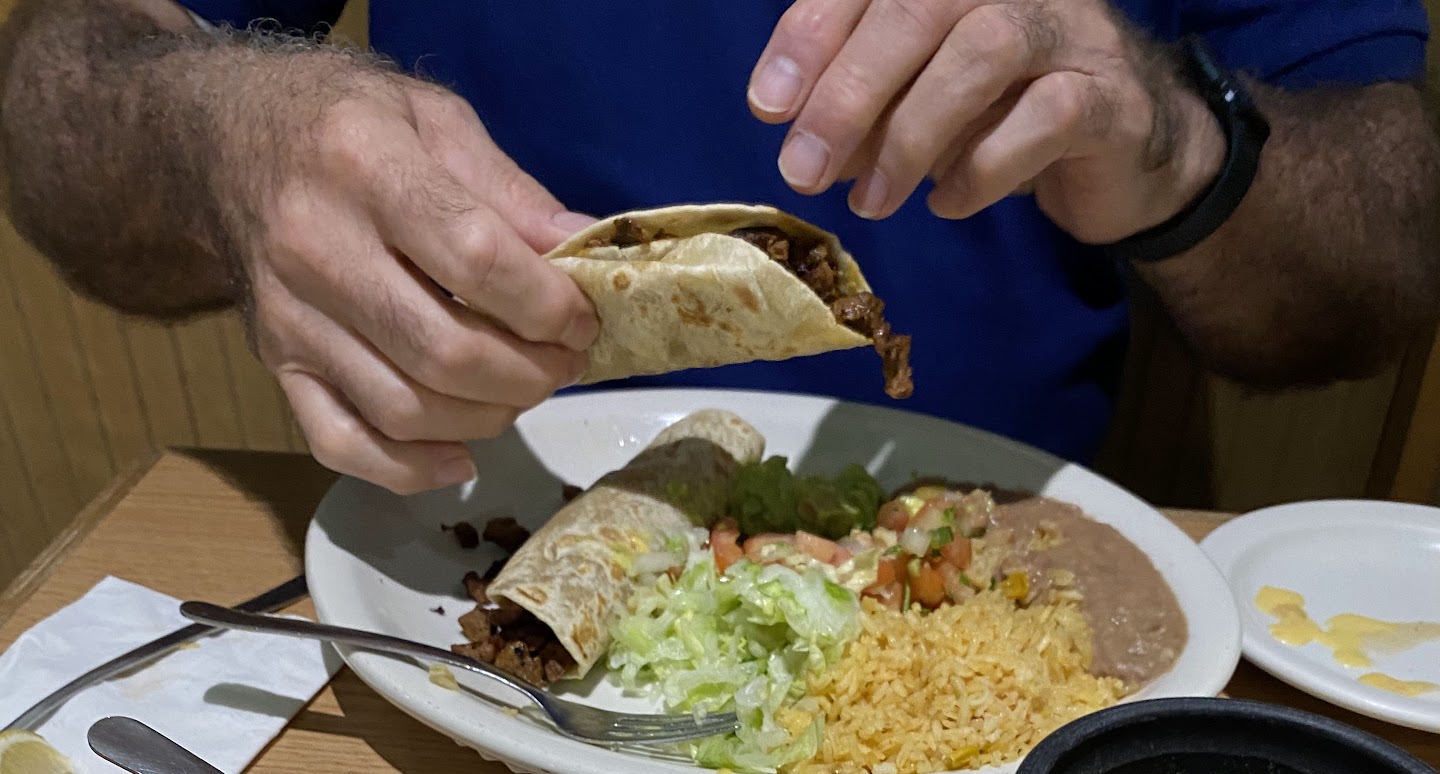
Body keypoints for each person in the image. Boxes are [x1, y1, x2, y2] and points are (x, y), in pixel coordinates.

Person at [2, 1, 1437, 496]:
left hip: (1007, 611)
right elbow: (58, 95)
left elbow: (1384, 256)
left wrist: (1181, 145)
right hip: (458, 555)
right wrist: (223, 134)